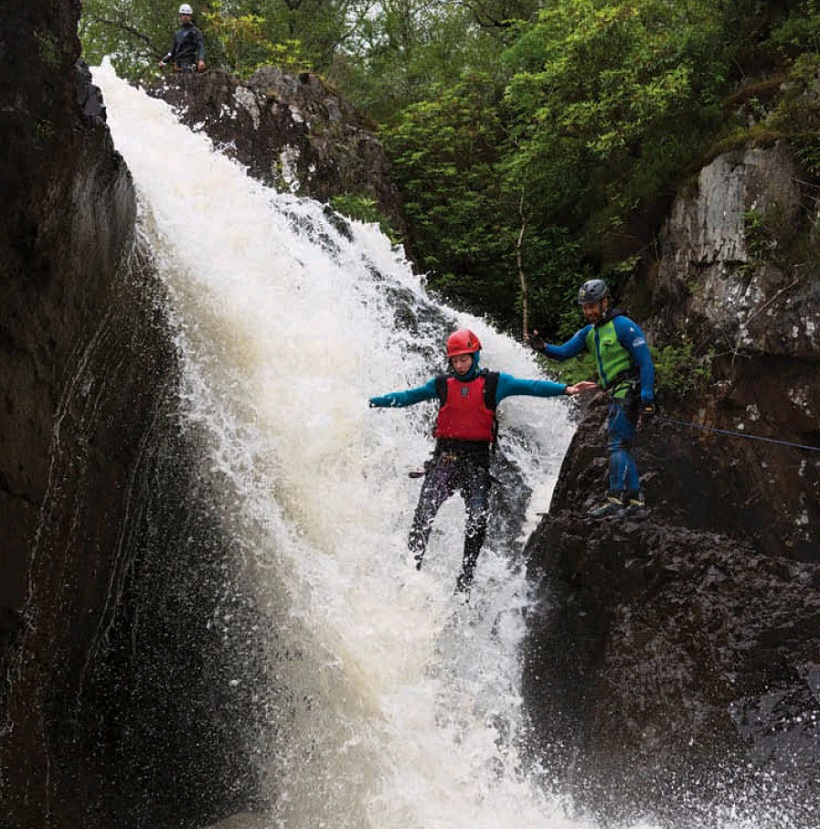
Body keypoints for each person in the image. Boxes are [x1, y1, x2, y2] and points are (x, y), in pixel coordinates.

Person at [369, 328, 597, 594]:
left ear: (475, 356)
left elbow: (531, 386)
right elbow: (409, 397)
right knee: (423, 515)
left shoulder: (495, 383)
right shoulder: (442, 385)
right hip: (445, 461)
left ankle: (465, 580)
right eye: (455, 360)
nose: (460, 365)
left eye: (464, 359)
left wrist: (566, 389)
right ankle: (410, 570)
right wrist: (374, 402)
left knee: (477, 518)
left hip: (476, 464)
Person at [528, 278, 656, 518]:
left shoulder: (624, 326)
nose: (589, 311)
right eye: (585, 307)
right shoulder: (589, 332)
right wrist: (543, 346)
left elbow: (645, 362)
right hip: (615, 393)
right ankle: (636, 504)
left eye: (592, 306)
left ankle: (616, 499)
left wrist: (647, 397)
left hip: (629, 390)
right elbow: (564, 352)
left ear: (605, 302)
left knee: (618, 444)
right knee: (621, 445)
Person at [159, 4, 206, 73]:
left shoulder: (195, 31)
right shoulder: (177, 33)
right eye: (183, 14)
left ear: (190, 16)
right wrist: (163, 61)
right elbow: (172, 52)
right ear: (180, 16)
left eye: (187, 14)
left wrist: (201, 60)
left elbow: (201, 46)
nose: (185, 17)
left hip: (189, 64)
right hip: (178, 66)